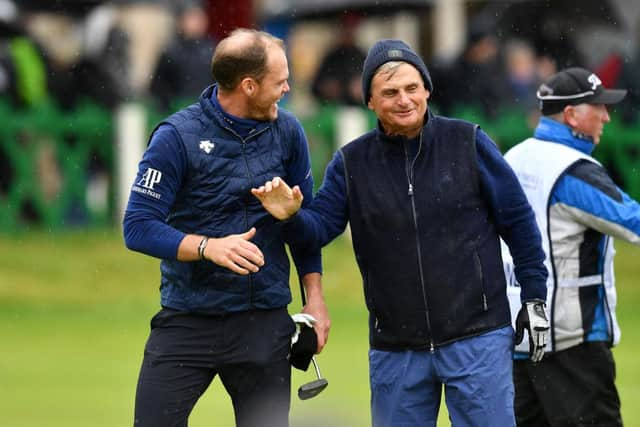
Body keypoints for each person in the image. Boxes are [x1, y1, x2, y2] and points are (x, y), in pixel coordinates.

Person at [252, 39, 549, 426]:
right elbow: (319, 229)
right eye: (389, 92)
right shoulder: (351, 162)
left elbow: (519, 223)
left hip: (477, 336)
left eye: (412, 88)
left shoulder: (467, 141)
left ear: (427, 89)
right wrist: (289, 217)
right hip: (396, 347)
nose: (404, 100)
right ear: (370, 102)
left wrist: (535, 298)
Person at [123, 28, 330, 427]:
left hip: (264, 322)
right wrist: (208, 247)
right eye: (280, 81)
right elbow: (137, 227)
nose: (288, 88)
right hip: (188, 318)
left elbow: (310, 233)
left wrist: (315, 298)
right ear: (248, 85)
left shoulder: (289, 133)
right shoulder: (176, 137)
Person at [502, 67, 640, 426]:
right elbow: (633, 223)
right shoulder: (573, 171)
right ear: (571, 115)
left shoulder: (513, 157)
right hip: (571, 342)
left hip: (515, 336)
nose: (607, 117)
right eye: (599, 107)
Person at [150, 0, 216, 111]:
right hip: (177, 110)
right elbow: (158, 85)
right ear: (181, 22)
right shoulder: (170, 51)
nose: (195, 23)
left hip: (206, 109)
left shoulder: (213, 49)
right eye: (191, 18)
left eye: (198, 18)